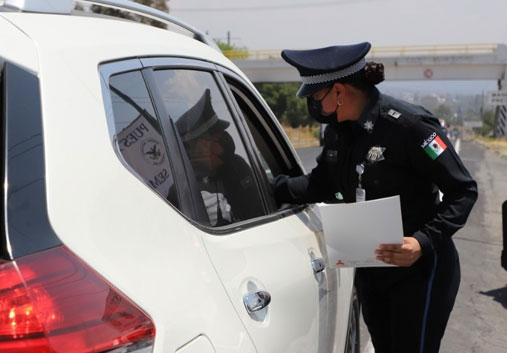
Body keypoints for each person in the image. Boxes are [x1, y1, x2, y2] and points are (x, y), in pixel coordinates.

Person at [274, 42, 478, 353]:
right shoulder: (337, 132)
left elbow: (463, 190)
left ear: (339, 92)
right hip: (371, 270)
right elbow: (320, 185)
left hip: (419, 270)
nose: (314, 106)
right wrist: (270, 187)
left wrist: (422, 242)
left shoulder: (410, 126)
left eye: (316, 97)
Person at [176, 89, 263, 226]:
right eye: (219, 136)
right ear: (202, 145)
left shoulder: (236, 167)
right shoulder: (184, 186)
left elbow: (259, 205)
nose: (226, 139)